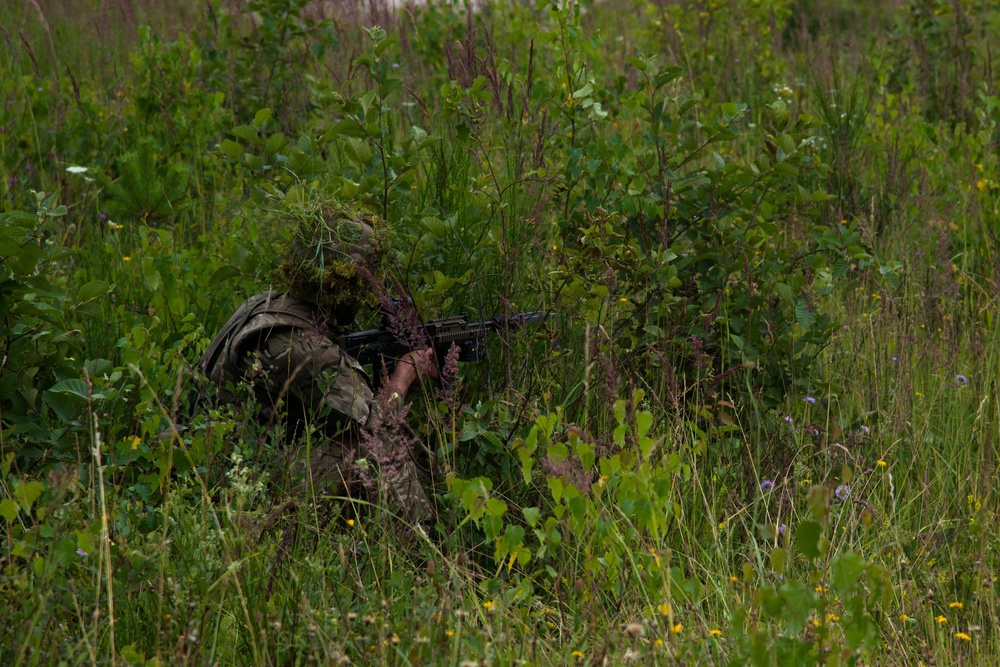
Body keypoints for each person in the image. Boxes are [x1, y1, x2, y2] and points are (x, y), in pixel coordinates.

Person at [199, 205, 439, 525]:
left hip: (234, 460)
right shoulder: (302, 346)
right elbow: (378, 422)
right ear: (343, 284)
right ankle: (422, 552)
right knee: (374, 445)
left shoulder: (268, 304)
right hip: (240, 487)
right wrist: (403, 376)